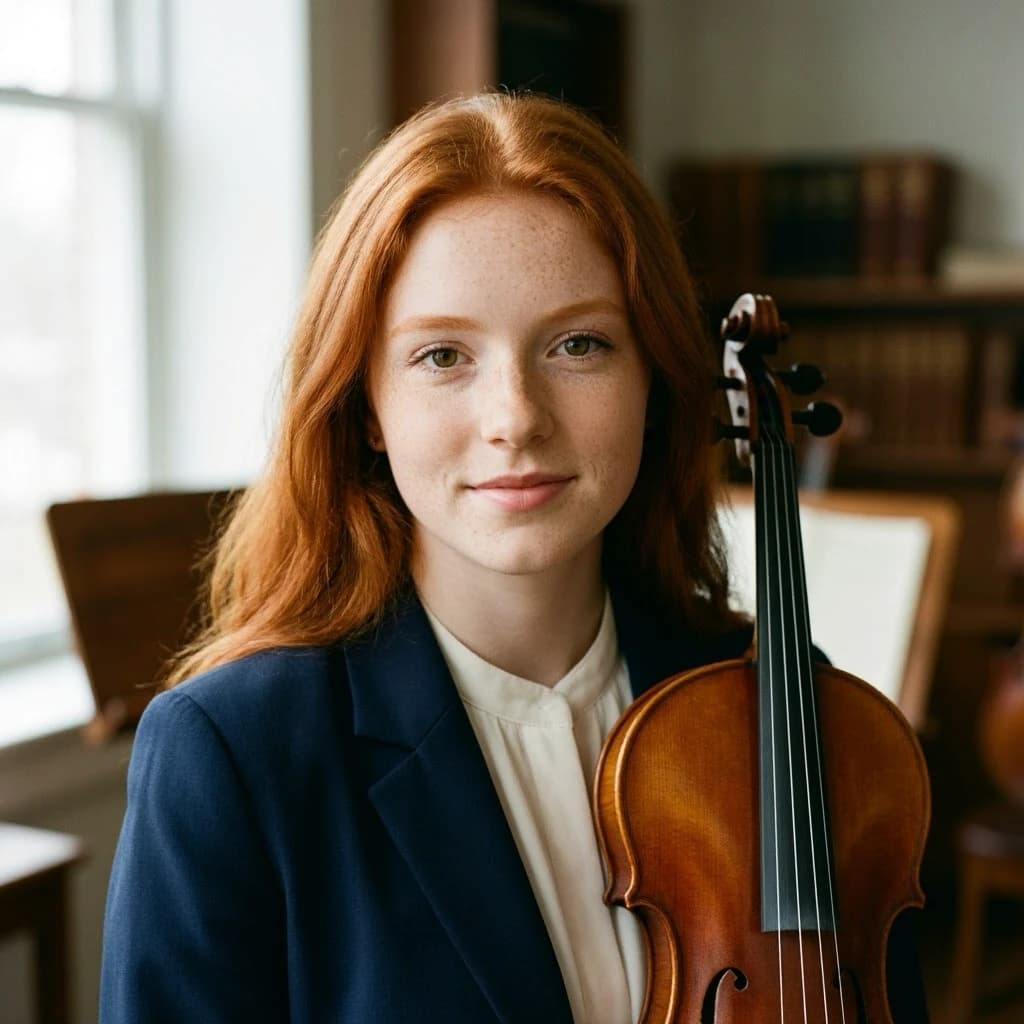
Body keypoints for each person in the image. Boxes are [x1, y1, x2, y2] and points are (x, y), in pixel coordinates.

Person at [99, 91, 927, 1022]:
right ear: (367, 404)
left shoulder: (784, 704)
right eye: (443, 356)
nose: (516, 419)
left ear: (652, 378)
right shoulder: (232, 756)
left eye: (578, 344)